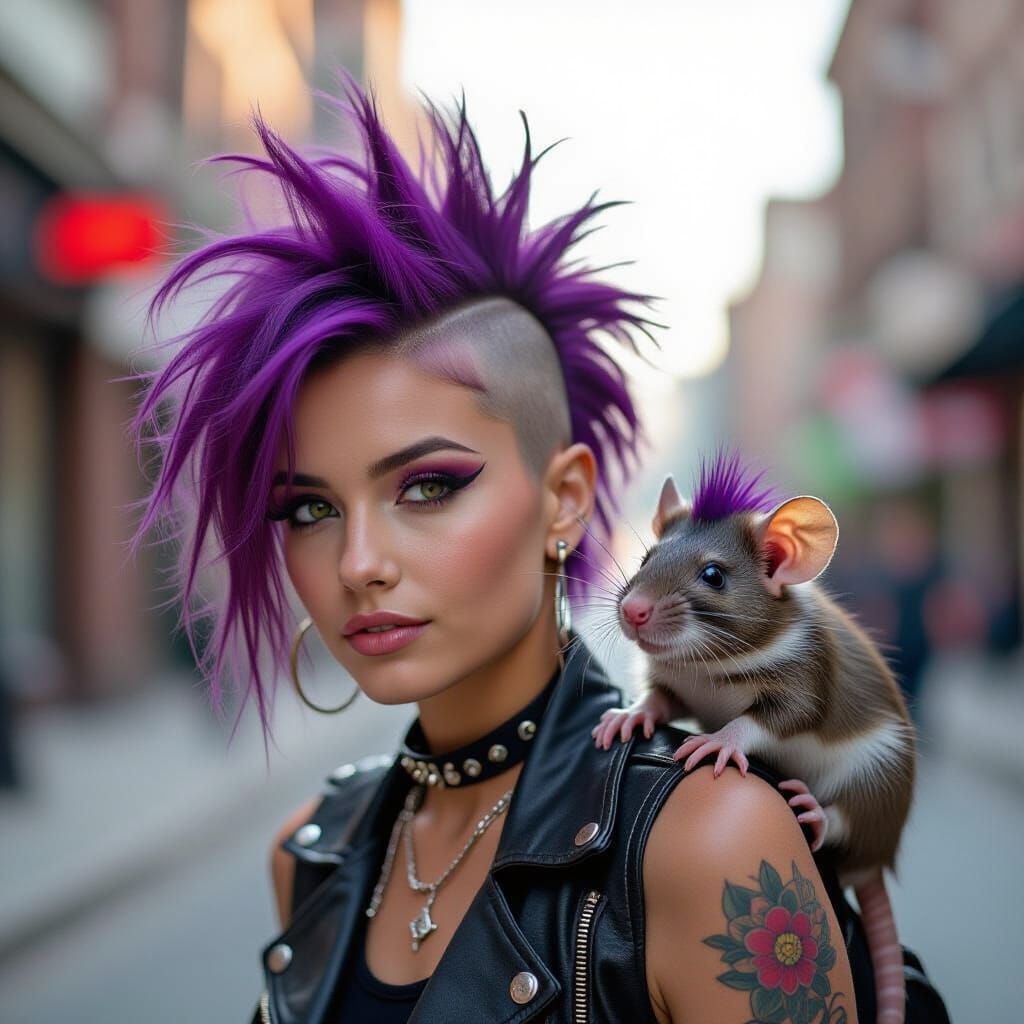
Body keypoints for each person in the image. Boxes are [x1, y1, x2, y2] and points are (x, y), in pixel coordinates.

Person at [127, 75, 869, 1023]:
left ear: (564, 501)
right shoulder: (310, 854)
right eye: (308, 509)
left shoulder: (710, 840)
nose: (357, 563)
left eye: (427, 487)